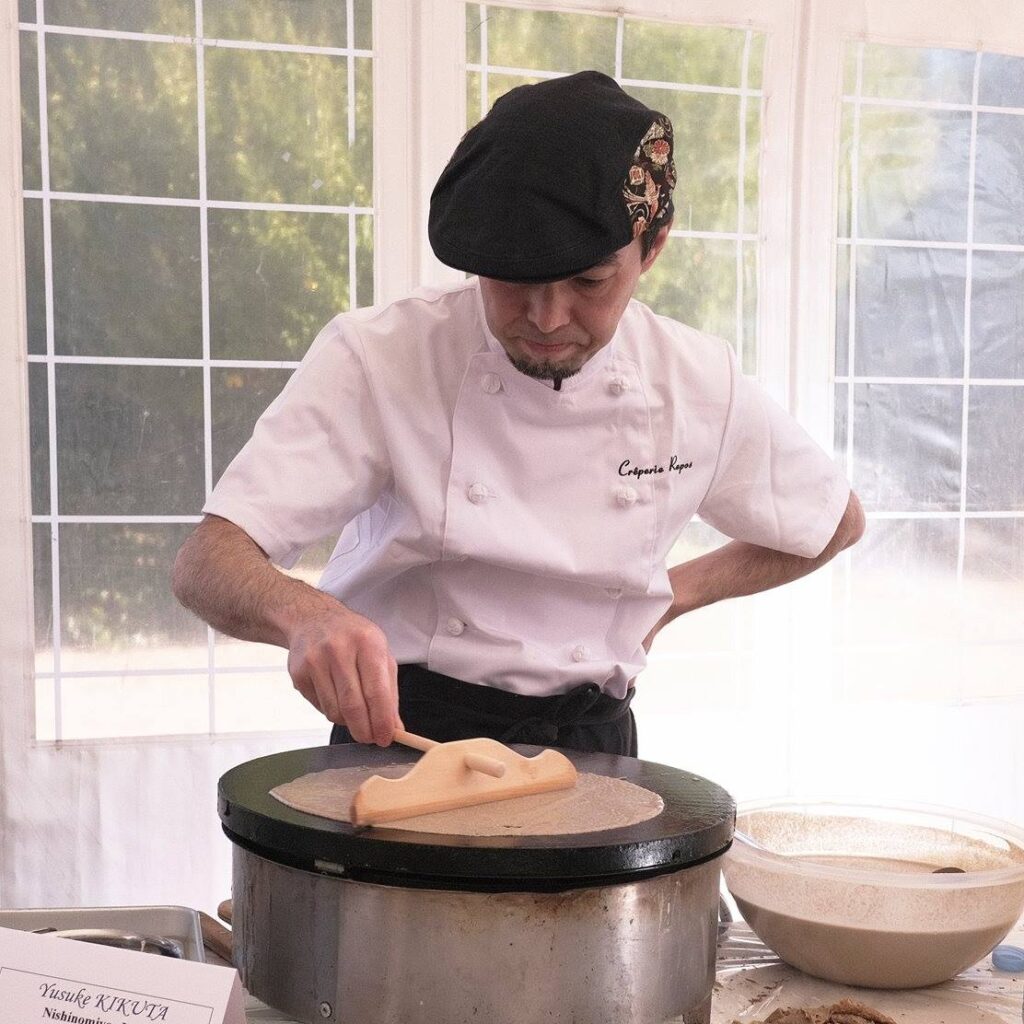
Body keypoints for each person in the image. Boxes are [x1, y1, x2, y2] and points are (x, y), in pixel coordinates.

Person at [172, 71, 864, 757]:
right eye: (512, 279)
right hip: (406, 741)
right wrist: (305, 614)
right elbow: (207, 561)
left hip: (594, 752)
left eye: (589, 281)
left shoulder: (696, 381)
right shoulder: (382, 356)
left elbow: (832, 522)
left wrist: (672, 596)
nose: (547, 318)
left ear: (653, 245)